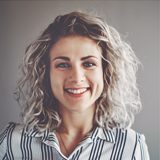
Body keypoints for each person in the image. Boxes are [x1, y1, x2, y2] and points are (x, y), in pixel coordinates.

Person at [0, 11, 150, 160]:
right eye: (63, 64)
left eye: (89, 64)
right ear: (46, 73)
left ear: (106, 72)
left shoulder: (131, 147)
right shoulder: (11, 143)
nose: (77, 78)